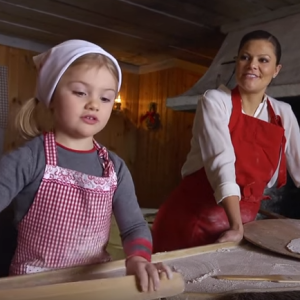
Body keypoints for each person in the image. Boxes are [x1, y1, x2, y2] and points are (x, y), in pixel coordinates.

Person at [0, 39, 172, 291]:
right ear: (51, 97)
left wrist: (137, 258)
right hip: (34, 287)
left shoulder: (115, 167)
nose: (93, 103)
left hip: (93, 285)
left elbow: (134, 226)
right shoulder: (29, 158)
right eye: (80, 92)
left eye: (105, 98)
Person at [152, 30, 300, 252]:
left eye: (263, 60)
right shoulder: (215, 101)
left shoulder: (283, 113)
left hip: (238, 227)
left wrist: (239, 227)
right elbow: (221, 162)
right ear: (237, 62)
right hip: (190, 223)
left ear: (276, 70)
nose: (252, 65)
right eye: (245, 57)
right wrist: (236, 225)